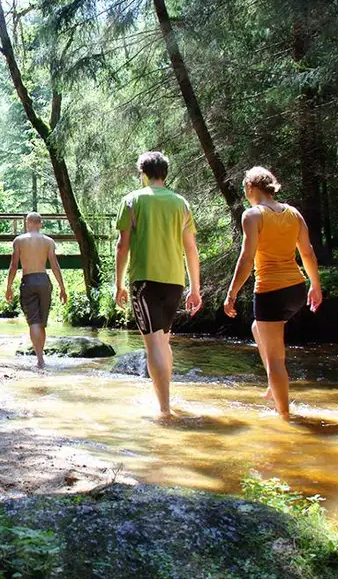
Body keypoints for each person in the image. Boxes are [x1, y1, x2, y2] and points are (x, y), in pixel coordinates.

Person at [223, 166, 322, 421]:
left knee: (277, 359)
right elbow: (308, 253)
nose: (245, 193)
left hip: (270, 292)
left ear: (252, 188)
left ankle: (284, 417)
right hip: (296, 290)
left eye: (245, 188)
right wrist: (315, 286)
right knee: (258, 329)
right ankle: (274, 382)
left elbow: (246, 260)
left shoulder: (253, 216)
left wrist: (232, 293)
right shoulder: (293, 213)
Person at [115, 151, 202, 417]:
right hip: (174, 281)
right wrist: (195, 288)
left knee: (153, 345)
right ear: (165, 173)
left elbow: (122, 246)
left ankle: (164, 408)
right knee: (163, 342)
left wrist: (118, 283)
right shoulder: (181, 203)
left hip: (144, 281)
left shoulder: (132, 201)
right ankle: (166, 400)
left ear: (143, 173)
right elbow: (191, 249)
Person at [6, 212, 68, 370]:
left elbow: (13, 265)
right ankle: (42, 357)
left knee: (33, 321)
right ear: (40, 224)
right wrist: (62, 287)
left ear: (27, 223)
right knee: (42, 322)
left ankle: (39, 358)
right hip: (44, 281)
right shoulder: (48, 241)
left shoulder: (19, 241)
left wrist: (9, 287)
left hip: (28, 280)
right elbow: (55, 265)